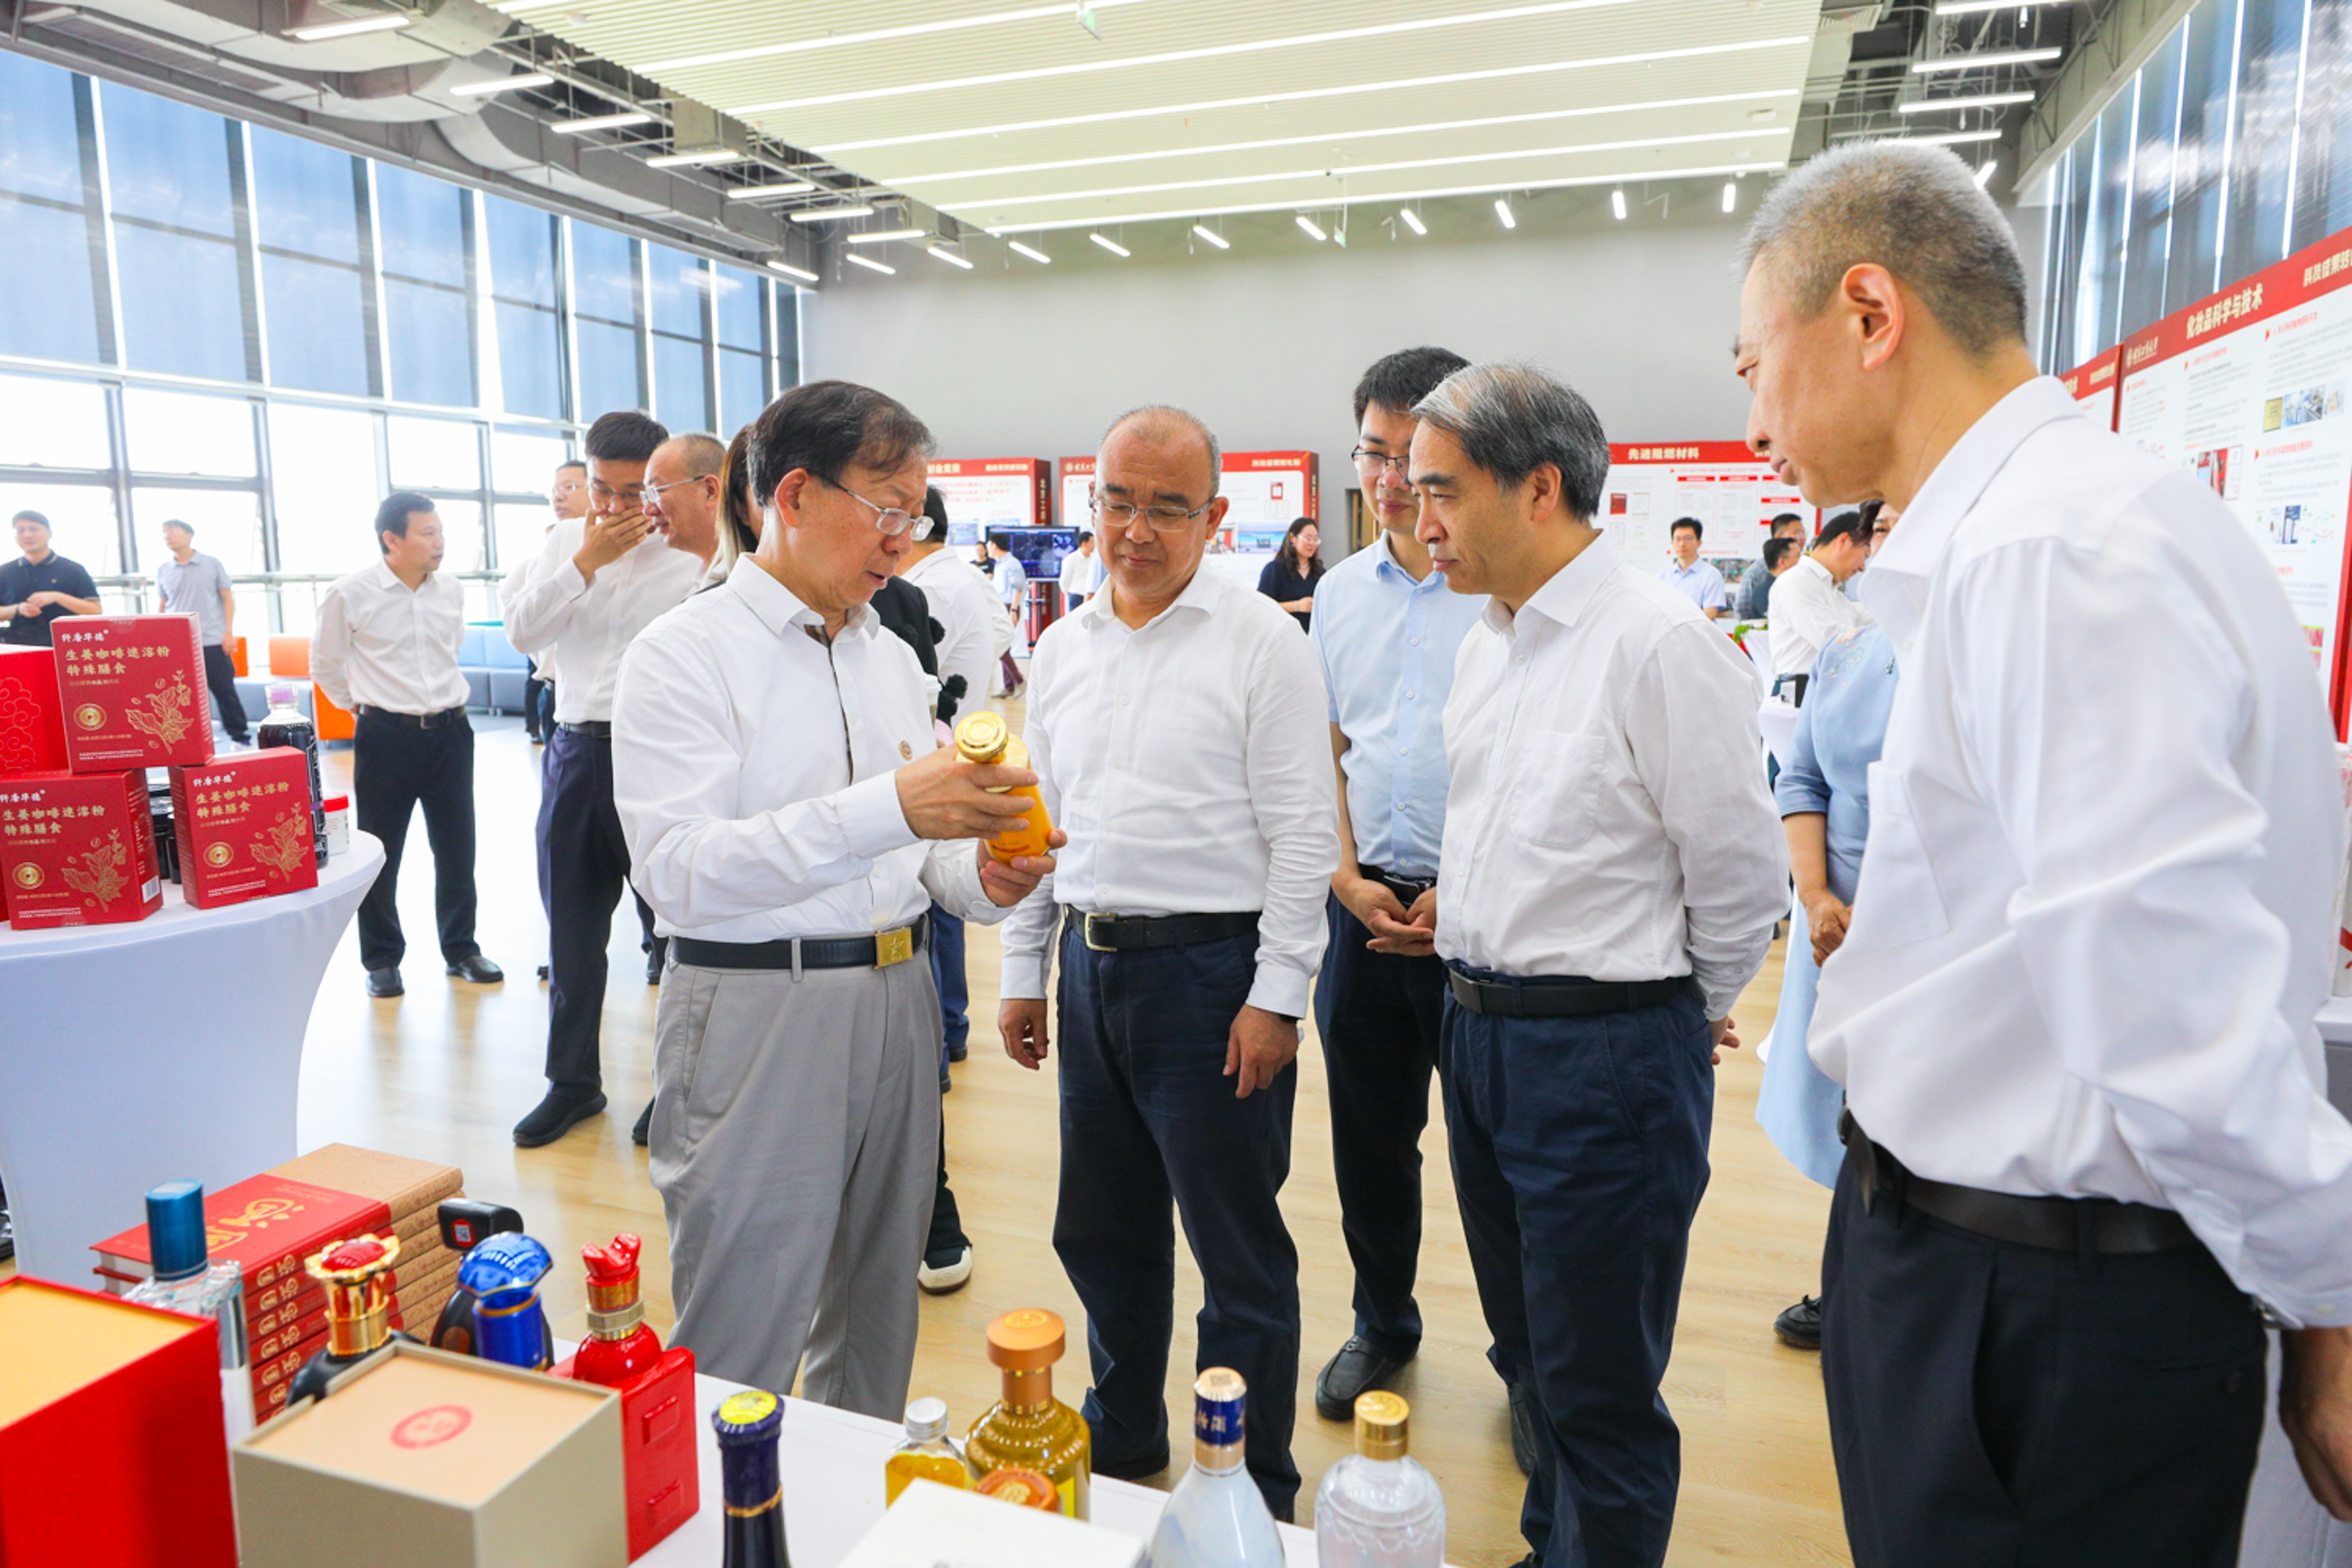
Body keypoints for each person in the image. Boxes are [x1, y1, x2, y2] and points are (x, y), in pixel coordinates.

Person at [1735, 138, 2352, 1566]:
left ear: (1870, 314)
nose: (1757, 422)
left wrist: (2329, 1298)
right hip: (2010, 1274)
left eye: (1756, 366)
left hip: (2031, 1307)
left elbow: (2168, 1019)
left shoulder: (2051, 551)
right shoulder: (2059, 526)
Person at [612, 380, 1055, 1416]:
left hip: (899, 1003)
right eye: (886, 509)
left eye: (916, 515)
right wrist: (894, 805)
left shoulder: (889, 655)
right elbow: (676, 870)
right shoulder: (682, 654)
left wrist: (984, 876)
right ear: (795, 495)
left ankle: (849, 1497)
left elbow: (914, 861)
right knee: (743, 1329)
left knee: (876, 1318)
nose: (903, 540)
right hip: (756, 1007)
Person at [1411, 363, 1784, 1568]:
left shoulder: (1659, 644)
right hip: (1478, 1039)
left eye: (1441, 491)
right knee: (1532, 1355)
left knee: (1601, 1384)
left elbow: (1744, 879)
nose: (1419, 519)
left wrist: (1675, 1018)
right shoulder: (1487, 646)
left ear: (1539, 488)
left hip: (1602, 1059)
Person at [998, 406, 1337, 1519]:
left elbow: (1304, 837)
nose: (1136, 530)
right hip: (1090, 972)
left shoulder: (1263, 643)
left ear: (1215, 517)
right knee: (1102, 1229)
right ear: (1090, 504)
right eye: (1117, 502)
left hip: (1213, 982)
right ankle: (1127, 1433)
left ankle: (1251, 1486)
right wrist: (1023, 970)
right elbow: (1038, 823)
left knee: (1236, 1250)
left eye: (1167, 508)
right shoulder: (1063, 647)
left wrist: (1277, 997)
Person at [1305, 346, 1511, 1443]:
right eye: (1374, 453)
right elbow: (1331, 752)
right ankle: (1382, 1320)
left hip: (1482, 923)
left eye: (1412, 458)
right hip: (1364, 911)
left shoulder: (1500, 591)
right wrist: (1342, 874)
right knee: (1369, 1142)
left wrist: (1463, 892)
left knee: (1495, 1155)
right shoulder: (1339, 596)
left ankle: (1527, 1361)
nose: (1391, 480)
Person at [502, 413, 710, 1149]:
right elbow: (522, 634)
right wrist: (583, 564)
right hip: (573, 750)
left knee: (674, 933)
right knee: (571, 931)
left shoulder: (692, 555)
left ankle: (678, 1088)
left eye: (633, 493)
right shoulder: (566, 542)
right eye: (602, 490)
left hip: (660, 759)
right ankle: (572, 1084)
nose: (617, 508)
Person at [1753, 619, 1899, 1352]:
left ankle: (1888, 1295)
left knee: (1909, 1118)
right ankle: (1852, 1282)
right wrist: (1814, 894)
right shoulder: (1849, 652)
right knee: (1840, 1107)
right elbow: (1803, 776)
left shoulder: (1991, 638)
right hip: (1831, 923)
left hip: (1929, 933)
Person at [314, 494, 503, 1000]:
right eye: (427, 533)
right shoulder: (350, 593)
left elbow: (450, 648)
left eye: (441, 532)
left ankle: (461, 949)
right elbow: (325, 664)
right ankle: (381, 960)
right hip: (386, 738)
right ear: (391, 539)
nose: (439, 543)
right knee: (382, 851)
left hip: (452, 733)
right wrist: (364, 708)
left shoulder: (451, 590)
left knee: (458, 848)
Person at [154, 519, 249, 745]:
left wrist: (228, 633)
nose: (168, 536)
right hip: (178, 644)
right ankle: (194, 737)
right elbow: (163, 605)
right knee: (184, 695)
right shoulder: (164, 570)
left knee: (224, 690)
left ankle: (240, 736)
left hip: (212, 639)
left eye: (173, 531)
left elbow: (227, 599)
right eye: (165, 533)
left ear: (189, 535)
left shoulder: (211, 564)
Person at [520, 460, 589, 743]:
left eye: (570, 487)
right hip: (556, 689)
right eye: (555, 490)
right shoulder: (552, 548)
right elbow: (521, 619)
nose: (558, 497)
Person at [1767, 508, 1872, 693]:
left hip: (1822, 688)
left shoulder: (1832, 591)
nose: (1863, 567)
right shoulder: (1798, 581)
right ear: (1843, 541)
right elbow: (1833, 640)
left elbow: (1868, 619)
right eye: (1865, 554)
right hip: (1800, 693)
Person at [1, 511, 101, 646]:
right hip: (18, 645)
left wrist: (57, 597)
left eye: (34, 529)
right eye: (20, 531)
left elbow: (95, 610)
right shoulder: (5, 572)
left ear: (49, 533)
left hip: (66, 644)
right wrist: (18, 609)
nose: (27, 535)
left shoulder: (72, 569)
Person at [1256, 517, 1324, 631]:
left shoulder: (1319, 572)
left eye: (1315, 539)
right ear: (1293, 538)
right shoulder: (1275, 569)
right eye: (1308, 539)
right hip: (1283, 634)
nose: (1312, 544)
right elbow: (1262, 606)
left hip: (1312, 636)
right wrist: (1296, 606)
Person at [1736, 512, 1808, 618]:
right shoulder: (1756, 572)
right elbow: (1743, 610)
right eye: (1797, 533)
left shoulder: (1804, 566)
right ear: (1778, 537)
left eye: (1803, 533)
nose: (1802, 538)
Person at [1656, 516, 1729, 619]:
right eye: (1678, 539)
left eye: (1689, 539)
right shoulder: (1662, 576)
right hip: (1668, 628)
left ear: (1699, 543)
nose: (1682, 544)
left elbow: (1710, 613)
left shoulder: (1711, 574)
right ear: (1672, 543)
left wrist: (1680, 623)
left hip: (1698, 629)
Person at [987, 534, 1027, 696]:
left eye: (989, 545)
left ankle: (1019, 681)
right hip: (1001, 606)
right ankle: (1009, 687)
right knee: (1004, 645)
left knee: (1001, 644)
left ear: (994, 545)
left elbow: (1018, 588)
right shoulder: (1000, 564)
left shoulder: (1012, 563)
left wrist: (1013, 611)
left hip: (1009, 607)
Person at [1062, 530, 1102, 610]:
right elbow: (1065, 580)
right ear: (1084, 544)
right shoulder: (1071, 559)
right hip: (1077, 596)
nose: (1094, 545)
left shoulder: (1095, 559)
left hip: (1092, 597)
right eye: (1092, 542)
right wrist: (1069, 593)